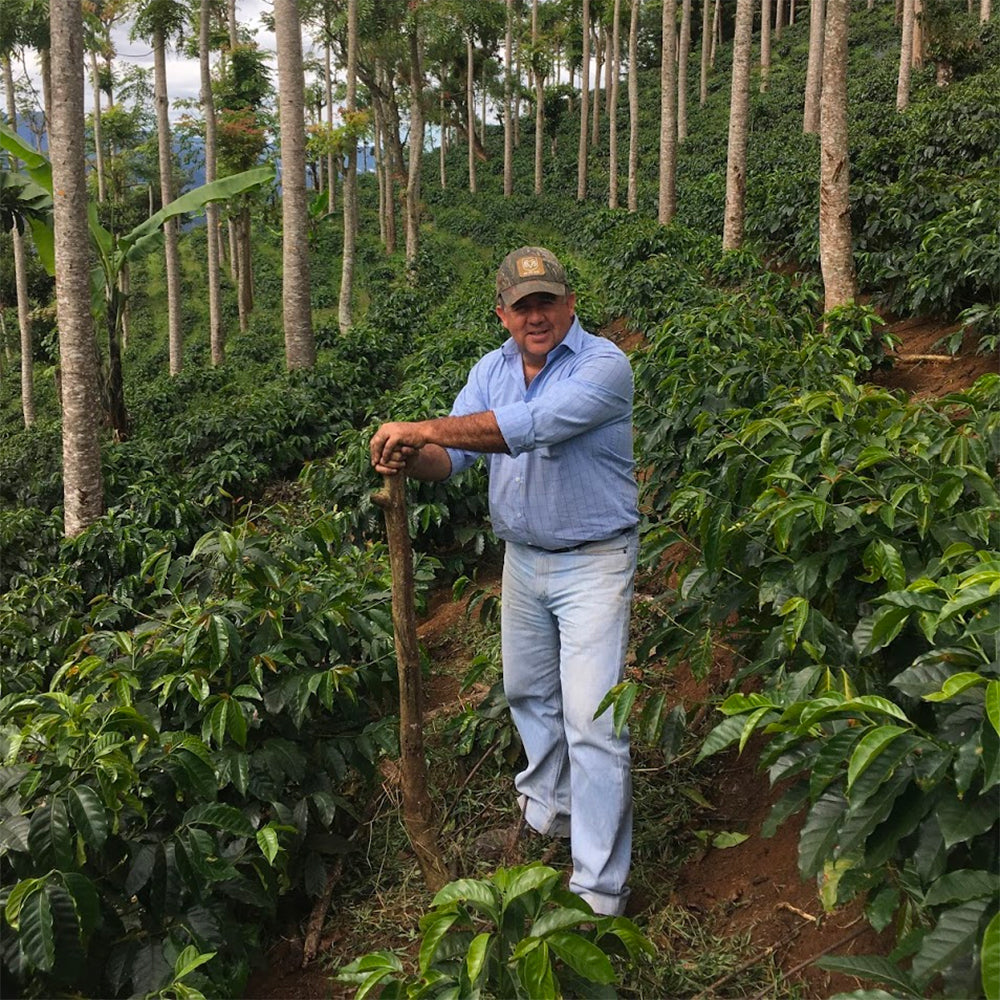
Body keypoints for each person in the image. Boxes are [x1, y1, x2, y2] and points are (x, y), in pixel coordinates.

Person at [370, 246, 639, 917]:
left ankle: (600, 892)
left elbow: (529, 428)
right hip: (523, 558)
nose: (537, 315)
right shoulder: (490, 370)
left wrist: (422, 425)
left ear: (570, 303)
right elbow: (452, 457)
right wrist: (412, 452)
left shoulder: (604, 366)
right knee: (527, 692)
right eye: (523, 306)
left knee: (593, 720)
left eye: (547, 300)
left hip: (594, 560)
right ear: (503, 314)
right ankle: (550, 813)